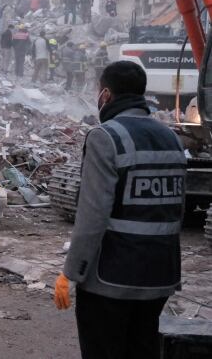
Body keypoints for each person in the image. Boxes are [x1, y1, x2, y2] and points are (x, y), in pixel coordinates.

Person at [54, 60, 186, 359]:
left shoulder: (106, 137)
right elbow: (176, 208)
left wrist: (71, 272)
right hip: (160, 275)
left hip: (111, 279)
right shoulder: (172, 139)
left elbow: (92, 215)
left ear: (106, 95)